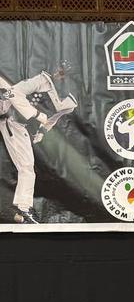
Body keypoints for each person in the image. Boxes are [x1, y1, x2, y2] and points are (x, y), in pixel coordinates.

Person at [0, 68, 77, 224]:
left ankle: (23, 209)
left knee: (27, 168)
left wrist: (42, 131)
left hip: (19, 126)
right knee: (26, 168)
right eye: (60, 70)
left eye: (66, 73)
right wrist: (36, 115)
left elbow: (53, 118)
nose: (60, 74)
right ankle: (23, 208)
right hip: (10, 119)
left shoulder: (70, 102)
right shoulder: (42, 81)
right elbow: (12, 93)